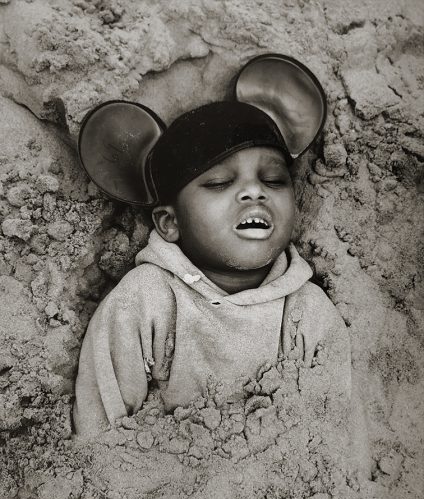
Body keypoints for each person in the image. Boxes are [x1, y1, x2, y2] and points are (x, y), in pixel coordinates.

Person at [73, 57, 351, 437]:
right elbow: (98, 430)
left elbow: (339, 440)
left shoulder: (307, 313)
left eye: (273, 179)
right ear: (170, 223)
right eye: (220, 183)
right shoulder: (144, 300)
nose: (255, 191)